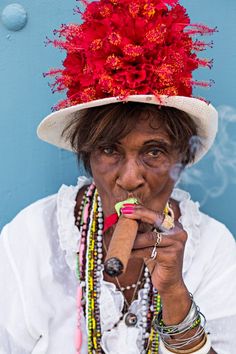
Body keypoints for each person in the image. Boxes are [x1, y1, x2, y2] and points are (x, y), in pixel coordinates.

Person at [0, 0, 236, 353]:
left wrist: (174, 295)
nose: (129, 179)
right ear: (88, 155)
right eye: (109, 150)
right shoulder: (34, 238)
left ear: (181, 158)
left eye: (153, 152)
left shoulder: (214, 248)